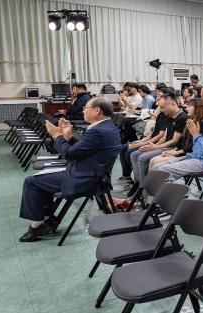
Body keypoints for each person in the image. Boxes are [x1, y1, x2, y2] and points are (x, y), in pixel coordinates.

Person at [18, 97, 121, 242]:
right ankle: (45, 220)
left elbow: (69, 154)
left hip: (84, 179)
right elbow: (84, 149)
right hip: (93, 174)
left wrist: (57, 136)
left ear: (97, 110)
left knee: (31, 182)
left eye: (86, 107)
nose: (83, 110)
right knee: (39, 179)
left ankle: (37, 226)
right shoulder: (107, 127)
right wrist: (68, 136)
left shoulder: (97, 131)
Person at [151, 98, 203, 180]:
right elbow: (200, 146)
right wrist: (196, 135)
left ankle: (165, 193)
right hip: (196, 157)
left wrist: (196, 134)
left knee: (161, 171)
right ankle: (153, 192)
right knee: (157, 167)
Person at [127, 94, 188, 191]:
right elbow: (164, 136)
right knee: (134, 154)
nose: (162, 110)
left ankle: (143, 189)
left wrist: (155, 147)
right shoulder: (170, 116)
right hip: (164, 146)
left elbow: (174, 141)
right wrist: (154, 145)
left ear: (172, 104)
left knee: (142, 157)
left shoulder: (182, 117)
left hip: (172, 148)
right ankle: (137, 183)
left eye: (163, 107)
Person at [148, 98, 203, 171]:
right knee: (153, 160)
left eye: (189, 106)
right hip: (181, 151)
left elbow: (194, 144)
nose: (187, 108)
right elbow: (182, 139)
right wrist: (174, 150)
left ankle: (153, 182)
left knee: (156, 162)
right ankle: (150, 182)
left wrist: (176, 152)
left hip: (190, 154)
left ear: (198, 108)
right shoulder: (191, 120)